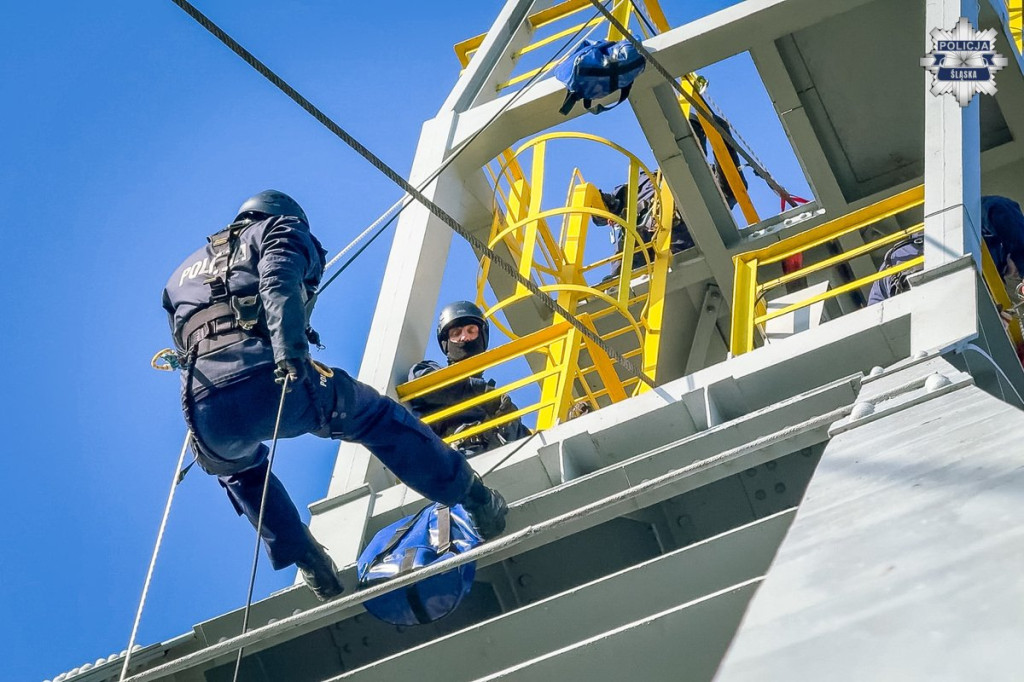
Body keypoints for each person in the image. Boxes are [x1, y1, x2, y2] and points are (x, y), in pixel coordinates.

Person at [161, 191, 508, 601]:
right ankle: (474, 498)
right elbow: (278, 280)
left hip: (203, 405)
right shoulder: (280, 228)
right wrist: (289, 349)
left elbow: (185, 344)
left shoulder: (179, 276)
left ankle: (311, 563)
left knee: (239, 472)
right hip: (270, 372)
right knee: (375, 416)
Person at [407, 301, 531, 456]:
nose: (464, 337)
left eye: (471, 330)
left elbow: (524, 442)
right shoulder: (428, 371)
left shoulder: (501, 403)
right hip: (448, 460)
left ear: (482, 337)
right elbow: (424, 386)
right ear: (446, 343)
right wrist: (481, 392)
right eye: (456, 333)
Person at [867, 195, 1024, 305]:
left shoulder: (990, 271)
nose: (1016, 276)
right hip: (922, 264)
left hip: (907, 281)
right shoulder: (986, 226)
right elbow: (998, 209)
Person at [593, 169, 695, 278]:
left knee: (675, 254)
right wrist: (603, 211)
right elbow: (609, 204)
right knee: (625, 258)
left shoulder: (680, 177)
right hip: (639, 229)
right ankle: (616, 281)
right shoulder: (637, 182)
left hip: (669, 225)